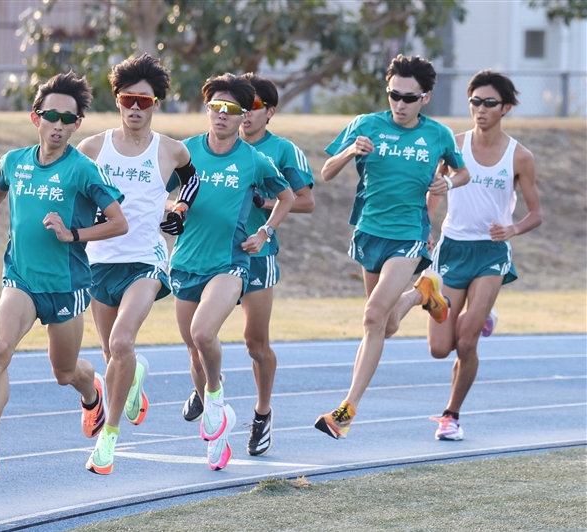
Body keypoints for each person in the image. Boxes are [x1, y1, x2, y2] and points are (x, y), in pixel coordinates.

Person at [0, 72, 128, 482]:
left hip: (65, 287)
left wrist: (74, 234)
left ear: (77, 125)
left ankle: (92, 393)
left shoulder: (83, 170)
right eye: (52, 116)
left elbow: (119, 222)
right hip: (22, 280)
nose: (60, 125)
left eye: (69, 119)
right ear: (37, 118)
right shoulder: (15, 161)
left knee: (65, 373)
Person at [315, 54, 470, 440]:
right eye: (393, 95)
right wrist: (350, 151)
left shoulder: (438, 135)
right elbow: (326, 173)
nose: (399, 104)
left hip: (409, 235)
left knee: (370, 317)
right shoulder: (366, 124)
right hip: (369, 232)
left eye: (408, 98)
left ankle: (346, 410)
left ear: (425, 98)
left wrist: (447, 184)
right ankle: (422, 295)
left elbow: (462, 171)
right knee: (386, 324)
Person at [180, 73, 315, 458]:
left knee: (255, 344)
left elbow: (302, 201)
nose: (237, 114)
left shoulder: (276, 153)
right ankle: (207, 385)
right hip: (201, 256)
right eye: (220, 107)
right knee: (198, 339)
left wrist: (264, 212)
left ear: (266, 112)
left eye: (249, 108)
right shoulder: (194, 150)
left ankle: (262, 413)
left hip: (255, 257)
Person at [76, 54, 198, 475]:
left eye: (144, 101)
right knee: (113, 352)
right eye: (128, 99)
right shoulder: (92, 148)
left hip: (146, 260)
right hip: (99, 262)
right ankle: (134, 377)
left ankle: (108, 440)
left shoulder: (170, 149)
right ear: (118, 101)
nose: (135, 108)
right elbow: (75, 194)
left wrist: (179, 207)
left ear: (156, 104)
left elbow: (192, 179)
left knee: (123, 343)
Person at [425, 70, 542, 440]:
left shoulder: (519, 156)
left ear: (505, 108)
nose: (480, 108)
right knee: (440, 348)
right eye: (475, 101)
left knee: (466, 341)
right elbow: (435, 190)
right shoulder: (453, 145)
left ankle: (451, 416)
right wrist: (427, 228)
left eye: (489, 103)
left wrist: (512, 229)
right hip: (451, 249)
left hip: (491, 253)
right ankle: (483, 310)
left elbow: (536, 214)